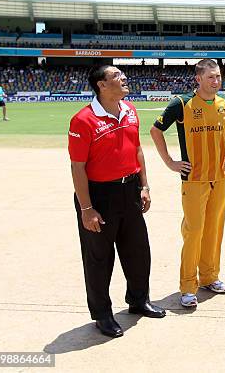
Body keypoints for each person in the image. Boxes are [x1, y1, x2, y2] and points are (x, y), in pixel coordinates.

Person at [68, 65, 166, 338]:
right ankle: (102, 314)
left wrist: (144, 185)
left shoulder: (130, 109)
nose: (124, 79)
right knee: (99, 258)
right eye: (116, 76)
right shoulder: (83, 120)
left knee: (138, 250)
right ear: (101, 85)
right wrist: (86, 208)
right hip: (99, 195)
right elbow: (77, 167)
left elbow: (136, 149)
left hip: (130, 190)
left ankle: (138, 300)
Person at [150, 59, 225, 308]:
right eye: (211, 77)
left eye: (219, 76)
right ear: (198, 79)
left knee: (214, 230)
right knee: (194, 232)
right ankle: (188, 286)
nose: (216, 81)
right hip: (194, 179)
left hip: (220, 178)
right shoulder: (181, 104)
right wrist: (170, 162)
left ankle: (210, 277)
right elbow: (155, 130)